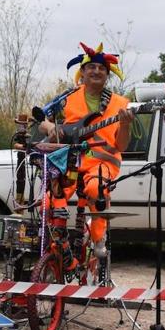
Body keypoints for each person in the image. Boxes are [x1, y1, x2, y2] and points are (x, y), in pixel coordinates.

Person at [39, 42, 133, 268]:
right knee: (48, 201)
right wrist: (50, 128)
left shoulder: (120, 104)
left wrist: (127, 124)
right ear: (82, 72)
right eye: (91, 67)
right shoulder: (67, 97)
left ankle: (99, 238)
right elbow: (41, 120)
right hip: (70, 161)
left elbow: (121, 145)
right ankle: (60, 250)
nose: (97, 71)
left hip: (102, 162)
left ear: (107, 74)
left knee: (94, 189)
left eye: (102, 68)